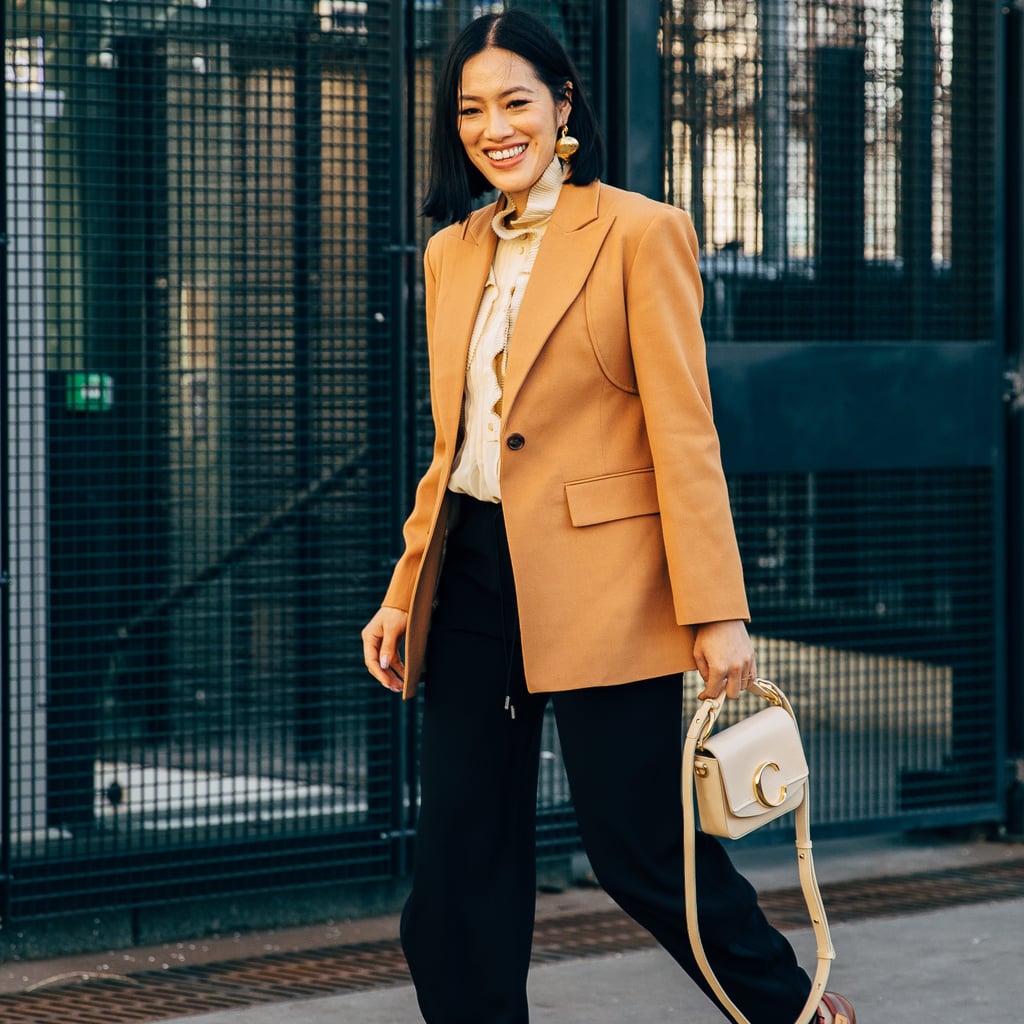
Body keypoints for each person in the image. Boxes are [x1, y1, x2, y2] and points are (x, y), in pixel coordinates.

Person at [361, 9, 855, 1024]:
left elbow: (684, 434)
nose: (493, 127)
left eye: (513, 102)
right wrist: (404, 590)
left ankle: (798, 1014)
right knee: (459, 855)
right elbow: (456, 446)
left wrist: (716, 609)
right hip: (472, 577)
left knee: (639, 847)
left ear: (561, 104)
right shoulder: (451, 252)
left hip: (606, 579)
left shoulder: (639, 231)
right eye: (470, 110)